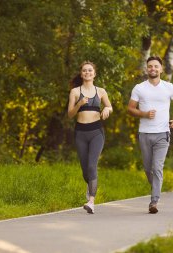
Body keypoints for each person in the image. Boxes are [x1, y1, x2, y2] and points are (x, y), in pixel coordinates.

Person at [127, 56, 173, 214]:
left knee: (157, 167)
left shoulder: (169, 87)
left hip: (162, 134)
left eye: (156, 66)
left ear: (161, 69)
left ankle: (154, 201)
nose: (153, 69)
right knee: (148, 168)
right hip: (144, 134)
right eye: (150, 66)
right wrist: (144, 114)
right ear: (147, 69)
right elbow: (130, 108)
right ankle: (156, 188)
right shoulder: (139, 88)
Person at [68, 61, 113, 214]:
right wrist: (79, 104)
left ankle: (91, 201)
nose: (87, 72)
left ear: (94, 74)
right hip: (80, 133)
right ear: (81, 74)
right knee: (85, 171)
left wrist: (107, 109)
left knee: (92, 166)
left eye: (90, 70)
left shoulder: (100, 91)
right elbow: (70, 114)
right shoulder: (75, 92)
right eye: (84, 71)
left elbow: (109, 106)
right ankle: (91, 186)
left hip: (96, 132)